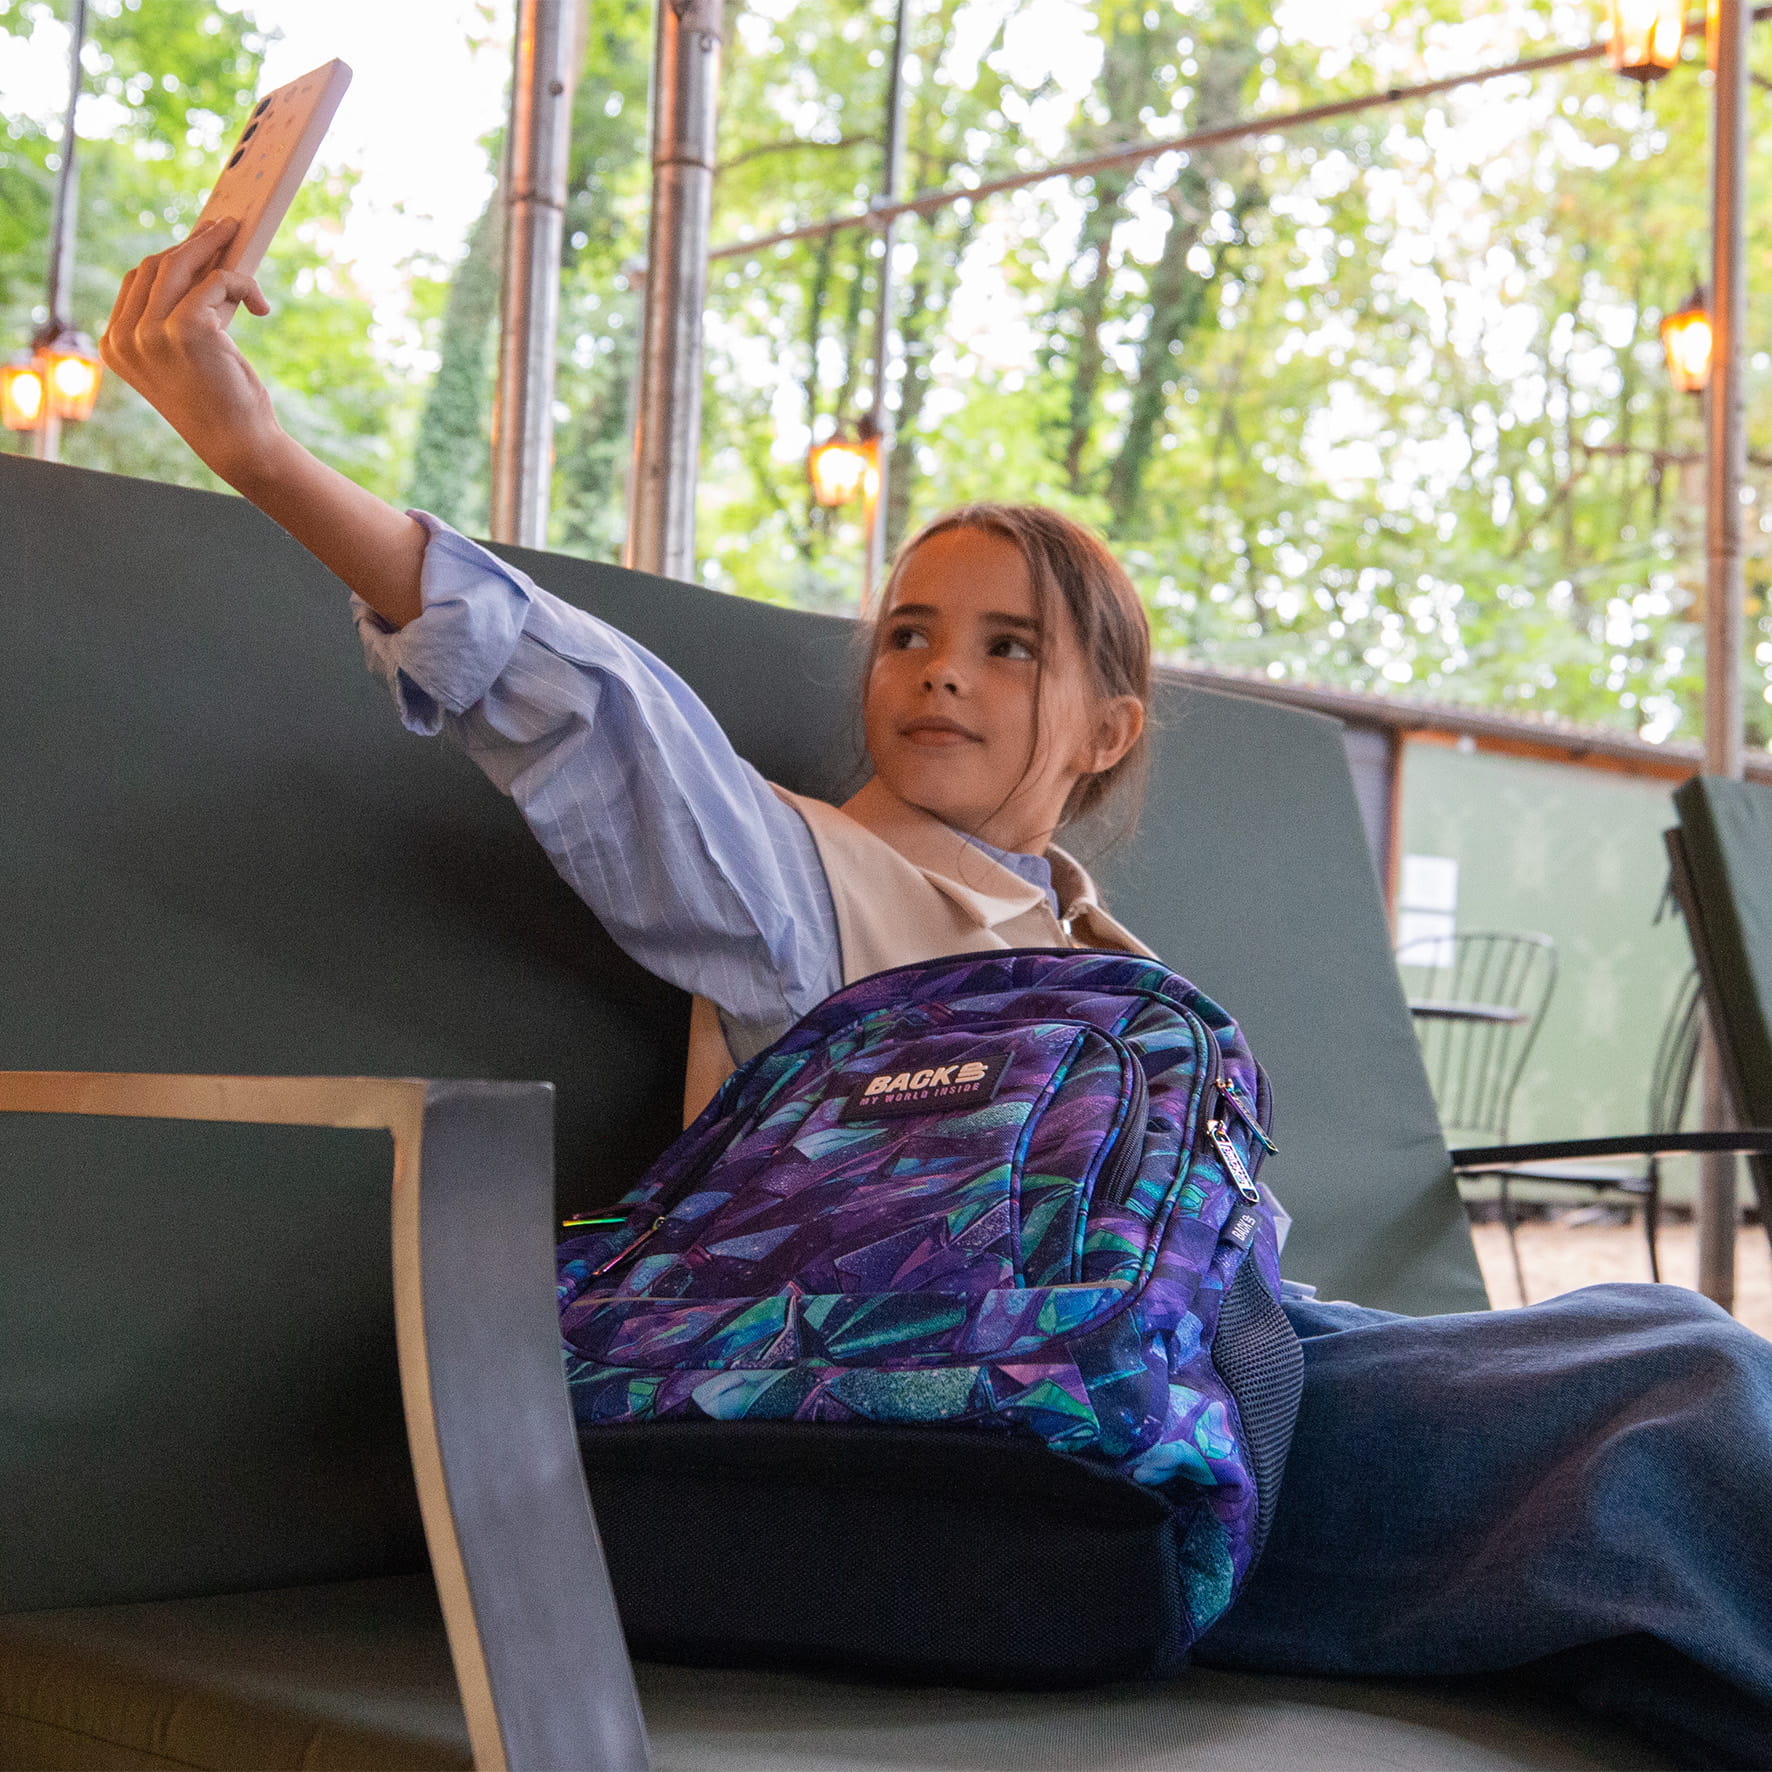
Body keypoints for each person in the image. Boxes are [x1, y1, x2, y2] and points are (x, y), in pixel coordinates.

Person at [104, 218, 1772, 1768]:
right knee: (1679, 1403)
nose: (940, 672)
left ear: (1110, 727)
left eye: (1008, 646)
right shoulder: (797, 885)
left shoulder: (1112, 976)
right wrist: (266, 460)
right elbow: (596, 716)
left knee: (1664, 1340)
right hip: (982, 1421)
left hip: (1193, 1384)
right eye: (908, 635)